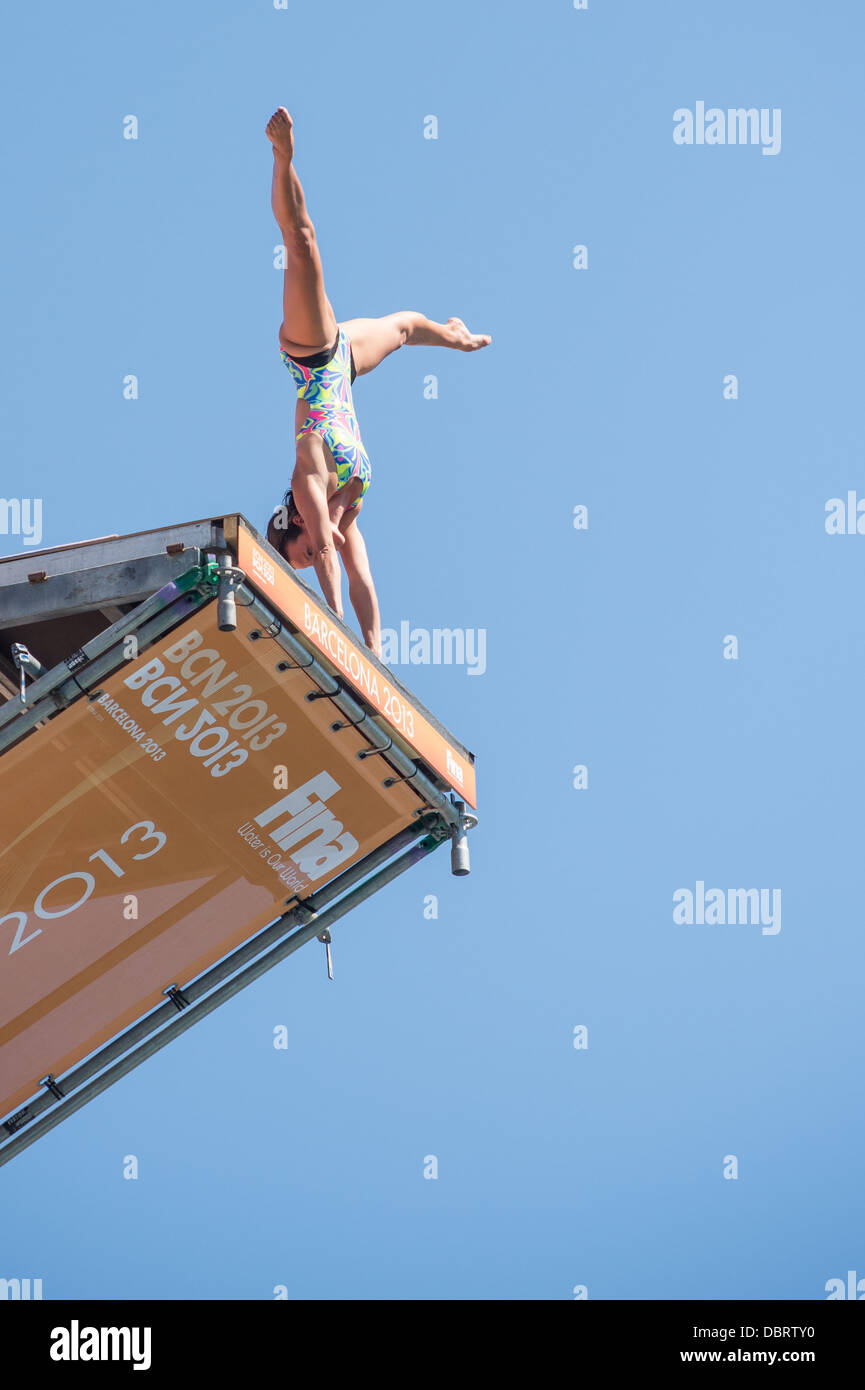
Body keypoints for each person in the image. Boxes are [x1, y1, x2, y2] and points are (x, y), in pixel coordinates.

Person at [264, 106, 490, 659]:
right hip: (345, 365)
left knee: (302, 243)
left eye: (299, 554)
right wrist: (372, 654)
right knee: (408, 327)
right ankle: (455, 337)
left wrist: (333, 629)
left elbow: (325, 552)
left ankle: (281, 157)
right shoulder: (356, 497)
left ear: (293, 523)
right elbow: (358, 570)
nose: (315, 555)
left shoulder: (308, 479)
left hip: (314, 356)